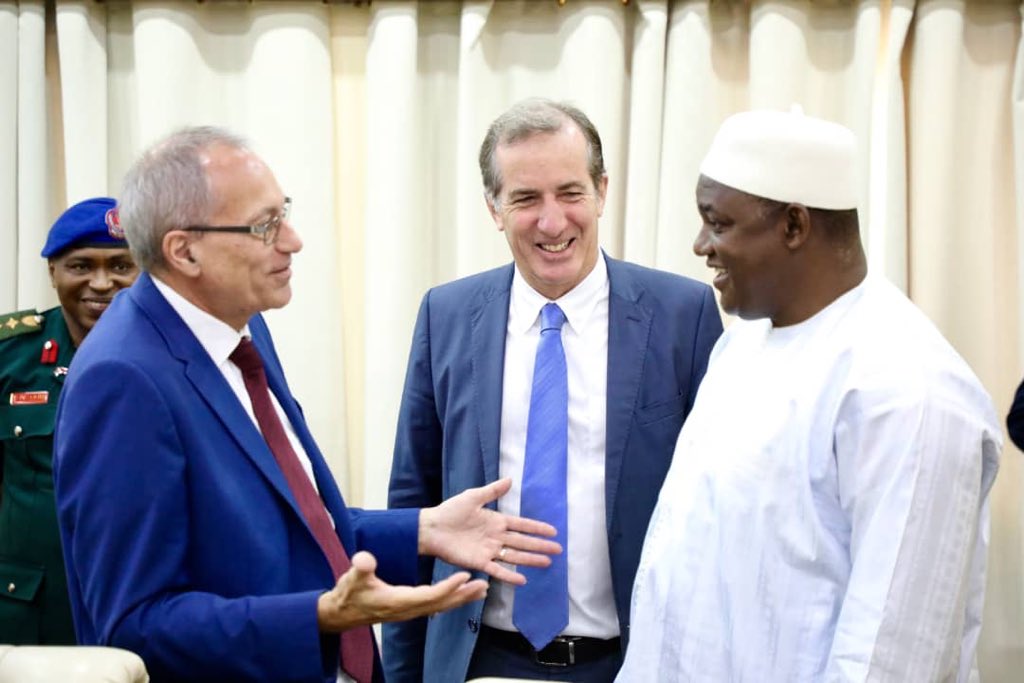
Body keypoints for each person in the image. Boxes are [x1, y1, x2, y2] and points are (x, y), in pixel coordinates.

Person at [51, 126, 560, 683]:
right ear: (185, 250)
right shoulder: (122, 379)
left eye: (283, 213)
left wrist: (421, 530)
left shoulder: (241, 327)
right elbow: (134, 625)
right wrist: (318, 617)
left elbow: (287, 524)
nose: (292, 240)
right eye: (265, 225)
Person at [619, 109, 1002, 682]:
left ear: (794, 226)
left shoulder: (906, 389)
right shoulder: (744, 343)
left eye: (718, 222)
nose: (701, 245)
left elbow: (892, 654)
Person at [383, 98, 723, 682]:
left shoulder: (683, 316)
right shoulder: (447, 315)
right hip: (475, 661)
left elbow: (721, 511)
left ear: (602, 191)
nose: (552, 221)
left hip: (632, 663)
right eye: (525, 199)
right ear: (493, 207)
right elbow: (414, 505)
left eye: (570, 193)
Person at [0, 197, 138, 644]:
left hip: (138, 595)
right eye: (81, 266)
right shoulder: (10, 354)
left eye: (121, 265)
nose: (102, 283)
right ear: (53, 272)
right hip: (30, 604)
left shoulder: (177, 355)